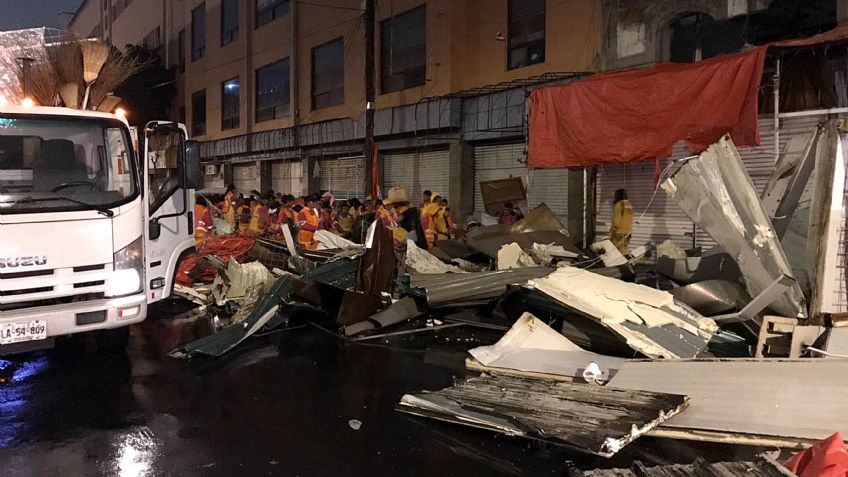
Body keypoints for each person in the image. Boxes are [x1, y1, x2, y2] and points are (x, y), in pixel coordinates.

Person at [610, 188, 634, 254]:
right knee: (624, 250)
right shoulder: (629, 204)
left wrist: (612, 230)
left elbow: (616, 219)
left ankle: (618, 264)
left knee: (616, 251)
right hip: (627, 232)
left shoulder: (619, 204)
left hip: (618, 232)